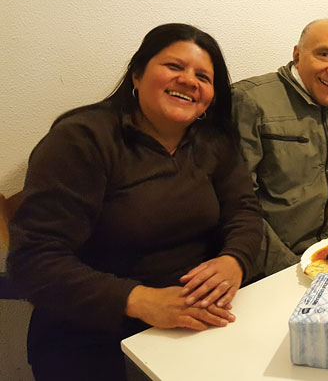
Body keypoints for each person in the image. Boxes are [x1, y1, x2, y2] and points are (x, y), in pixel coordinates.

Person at [8, 23, 262, 380]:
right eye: (174, 67)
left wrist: (235, 260)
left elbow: (245, 212)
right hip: (93, 335)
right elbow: (33, 260)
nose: (189, 80)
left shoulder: (214, 140)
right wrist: (141, 300)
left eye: (203, 76)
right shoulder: (81, 139)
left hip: (192, 328)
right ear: (136, 75)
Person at [232, 18, 328, 274]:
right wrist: (290, 269)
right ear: (297, 55)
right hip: (271, 269)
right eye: (325, 55)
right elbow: (239, 203)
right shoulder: (250, 101)